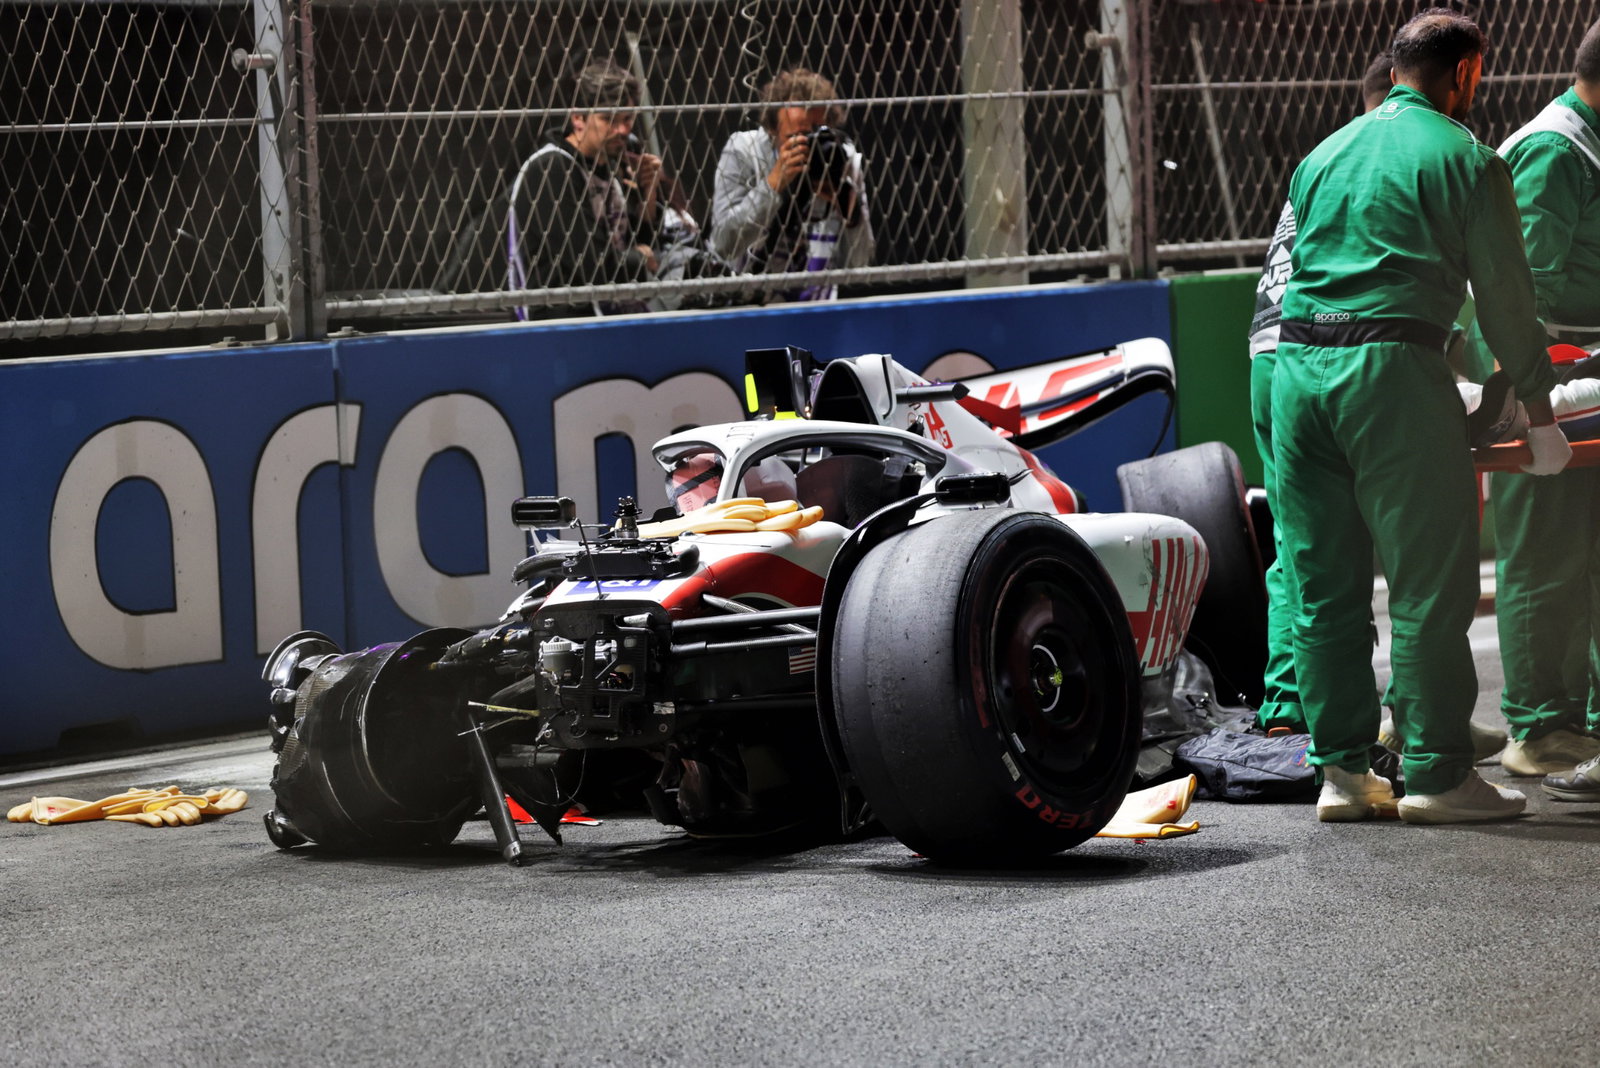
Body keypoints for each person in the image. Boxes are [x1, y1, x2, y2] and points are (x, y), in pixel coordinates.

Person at [1271, 9, 1569, 825]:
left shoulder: (1321, 156)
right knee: (1427, 582)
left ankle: (1342, 773)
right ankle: (1438, 774)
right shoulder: (1469, 159)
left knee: (1322, 584)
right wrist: (1538, 412)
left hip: (1296, 376)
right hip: (1392, 376)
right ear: (1466, 74)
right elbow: (1506, 303)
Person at [1459, 22, 1600, 792]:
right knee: (1546, 556)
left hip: (1582, 378)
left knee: (1586, 555)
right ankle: (1541, 727)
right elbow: (1524, 299)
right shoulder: (1553, 152)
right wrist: (1542, 405)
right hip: (1550, 385)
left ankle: (1576, 720)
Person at [1247, 51, 1396, 737]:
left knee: (1297, 537)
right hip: (1330, 352)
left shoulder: (1323, 158)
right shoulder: (1384, 161)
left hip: (1269, 355)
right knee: (1362, 541)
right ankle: (1383, 718)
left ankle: (1287, 706)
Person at [505, 59, 657, 319]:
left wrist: (650, 191)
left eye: (628, 118)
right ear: (578, 118)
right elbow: (592, 264)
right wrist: (642, 261)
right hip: (562, 324)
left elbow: (638, 241)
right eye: (609, 119)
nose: (622, 130)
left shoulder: (608, 166)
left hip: (611, 311)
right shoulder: (552, 168)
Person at [709, 68, 874, 301]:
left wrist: (850, 211)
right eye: (798, 137)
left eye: (818, 133)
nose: (810, 145)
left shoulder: (841, 158)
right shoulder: (743, 151)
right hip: (750, 307)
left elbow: (860, 262)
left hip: (816, 310)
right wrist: (773, 185)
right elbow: (723, 244)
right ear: (772, 130)